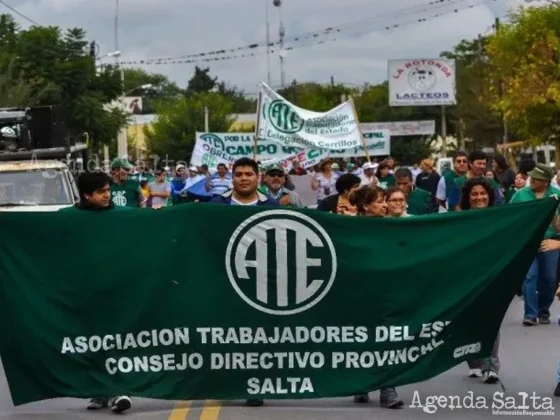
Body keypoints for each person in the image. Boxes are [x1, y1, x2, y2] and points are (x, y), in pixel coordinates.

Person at [58, 171, 132, 413]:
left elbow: (149, 227)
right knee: (90, 343)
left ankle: (116, 391)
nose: (107, 195)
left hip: (117, 291)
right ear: (86, 195)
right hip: (83, 293)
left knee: (115, 340)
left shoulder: (123, 216)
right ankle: (99, 392)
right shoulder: (66, 218)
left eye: (109, 191)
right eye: (102, 192)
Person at [209, 157, 277, 407]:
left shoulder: (271, 206)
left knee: (258, 335)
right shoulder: (216, 205)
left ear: (258, 177)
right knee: (226, 333)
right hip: (224, 280)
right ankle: (227, 382)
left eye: (249, 174)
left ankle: (254, 384)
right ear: (232, 177)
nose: (244, 178)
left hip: (260, 281)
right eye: (239, 174)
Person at [348, 185, 404, 409]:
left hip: (387, 290)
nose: (384, 205)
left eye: (385, 201)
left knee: (387, 338)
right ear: (364, 206)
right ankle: (360, 384)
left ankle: (387, 389)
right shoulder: (348, 228)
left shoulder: (391, 226)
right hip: (358, 292)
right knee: (361, 338)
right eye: (380, 201)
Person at [459, 177, 501, 384]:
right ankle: (474, 360)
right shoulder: (459, 220)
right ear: (468, 197)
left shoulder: (500, 217)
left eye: (483, 193)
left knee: (491, 320)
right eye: (474, 194)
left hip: (492, 277)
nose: (479, 197)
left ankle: (491, 366)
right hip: (466, 279)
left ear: (490, 195)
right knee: (468, 322)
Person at [510, 163, 560, 326]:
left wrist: (552, 212)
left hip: (549, 242)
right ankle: (530, 314)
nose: (531, 180)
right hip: (528, 242)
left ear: (545, 181)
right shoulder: (521, 195)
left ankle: (543, 310)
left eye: (536, 178)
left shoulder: (557, 195)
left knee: (549, 278)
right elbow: (510, 217)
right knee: (529, 276)